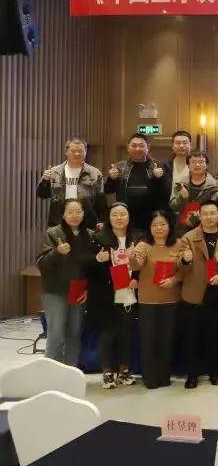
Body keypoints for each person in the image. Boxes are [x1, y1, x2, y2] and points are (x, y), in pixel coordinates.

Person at [175, 200, 218, 388]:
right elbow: (179, 268)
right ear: (199, 215)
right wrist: (185, 260)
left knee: (214, 336)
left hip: (217, 292)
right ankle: (192, 375)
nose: (209, 217)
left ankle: (215, 373)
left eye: (212, 213)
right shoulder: (188, 237)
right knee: (191, 337)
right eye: (205, 213)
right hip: (194, 292)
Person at [36, 199, 94, 366]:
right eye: (70, 212)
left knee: (74, 334)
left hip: (79, 291)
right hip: (56, 291)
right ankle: (51, 372)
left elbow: (93, 267)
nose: (75, 215)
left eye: (78, 212)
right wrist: (57, 252)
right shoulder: (53, 233)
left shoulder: (90, 235)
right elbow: (42, 264)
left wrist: (89, 289)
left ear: (84, 213)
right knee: (56, 334)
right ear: (62, 215)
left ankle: (70, 372)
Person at [88, 203, 140, 388]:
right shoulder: (98, 239)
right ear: (109, 218)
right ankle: (107, 373)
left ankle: (124, 371)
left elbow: (144, 264)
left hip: (129, 293)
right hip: (107, 293)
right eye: (115, 215)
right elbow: (87, 267)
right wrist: (97, 260)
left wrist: (136, 278)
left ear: (129, 217)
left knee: (126, 334)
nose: (119, 218)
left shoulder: (137, 238)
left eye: (122, 214)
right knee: (108, 334)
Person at [130, 211, 182, 389]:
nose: (159, 228)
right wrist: (131, 257)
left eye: (163, 224)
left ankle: (164, 376)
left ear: (169, 226)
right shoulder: (143, 245)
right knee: (148, 339)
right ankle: (150, 377)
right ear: (149, 228)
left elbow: (184, 269)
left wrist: (174, 280)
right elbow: (136, 265)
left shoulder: (178, 244)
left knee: (167, 340)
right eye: (155, 225)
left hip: (171, 299)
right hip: (148, 301)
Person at [104, 133, 171, 231]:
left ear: (148, 147)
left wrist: (159, 179)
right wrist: (111, 179)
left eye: (141, 146)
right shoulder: (119, 167)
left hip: (151, 216)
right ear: (128, 147)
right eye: (134, 145)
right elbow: (108, 190)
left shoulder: (158, 166)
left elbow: (166, 194)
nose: (138, 149)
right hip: (126, 215)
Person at [37, 137, 107, 229]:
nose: (77, 154)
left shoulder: (95, 173)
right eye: (73, 151)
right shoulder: (54, 172)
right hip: (59, 221)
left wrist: (101, 220)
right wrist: (45, 180)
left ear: (86, 152)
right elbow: (42, 194)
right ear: (66, 151)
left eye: (80, 151)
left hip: (87, 222)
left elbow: (101, 200)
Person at [170, 151, 218, 236]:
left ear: (206, 165)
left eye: (201, 162)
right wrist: (182, 197)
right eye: (193, 162)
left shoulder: (214, 186)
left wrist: (193, 219)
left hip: (206, 228)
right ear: (188, 165)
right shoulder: (180, 184)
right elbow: (173, 207)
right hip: (182, 229)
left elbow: (214, 209)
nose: (197, 165)